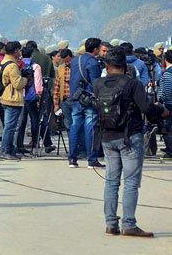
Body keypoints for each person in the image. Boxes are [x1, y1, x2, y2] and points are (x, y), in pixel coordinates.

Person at [94, 49, 169, 237]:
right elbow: (147, 108)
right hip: (130, 137)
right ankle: (129, 224)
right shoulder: (132, 84)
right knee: (131, 182)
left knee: (111, 181)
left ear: (107, 66)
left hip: (107, 137)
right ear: (126, 66)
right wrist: (162, 112)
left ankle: (111, 224)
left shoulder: (98, 84)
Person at [68, 38, 104, 169]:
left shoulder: (75, 60)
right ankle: (92, 159)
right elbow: (96, 83)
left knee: (75, 126)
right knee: (90, 127)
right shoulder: (93, 62)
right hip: (88, 98)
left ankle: (72, 159)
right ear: (95, 49)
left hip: (75, 97)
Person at [0, 41, 27, 160]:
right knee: (10, 127)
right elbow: (17, 84)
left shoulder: (4, 62)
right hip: (12, 98)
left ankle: (10, 150)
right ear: (15, 51)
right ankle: (5, 150)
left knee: (9, 126)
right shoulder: (12, 66)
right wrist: (25, 79)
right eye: (19, 50)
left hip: (6, 97)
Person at [160, 50, 172, 157]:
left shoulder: (168, 73)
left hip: (169, 104)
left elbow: (166, 91)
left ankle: (170, 150)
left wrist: (160, 101)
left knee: (167, 128)